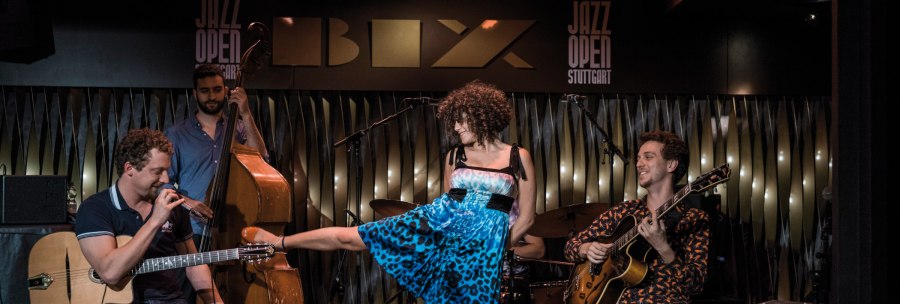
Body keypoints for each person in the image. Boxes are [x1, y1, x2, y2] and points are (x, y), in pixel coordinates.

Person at [243, 80, 536, 303]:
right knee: (355, 237)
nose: (456, 127)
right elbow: (447, 203)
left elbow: (527, 218)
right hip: (442, 229)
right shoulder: (454, 156)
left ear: (482, 115)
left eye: (461, 119)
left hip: (483, 256)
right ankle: (278, 242)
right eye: (454, 120)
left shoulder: (517, 156)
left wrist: (493, 245)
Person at [74, 129, 223, 303]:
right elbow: (110, 273)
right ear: (129, 168)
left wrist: (216, 302)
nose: (165, 178)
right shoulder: (95, 209)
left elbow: (194, 263)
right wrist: (155, 221)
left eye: (167, 170)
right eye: (157, 171)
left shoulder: (173, 205)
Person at [564, 130, 710, 303]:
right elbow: (570, 247)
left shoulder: (694, 218)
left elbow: (695, 285)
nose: (639, 164)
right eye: (639, 158)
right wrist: (586, 249)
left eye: (648, 157)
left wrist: (663, 247)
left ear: (671, 164)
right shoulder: (624, 211)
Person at [164, 63, 269, 247]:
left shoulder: (239, 129)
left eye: (217, 89)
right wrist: (188, 203)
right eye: (204, 91)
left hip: (235, 228)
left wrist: (245, 112)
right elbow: (162, 184)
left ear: (226, 91)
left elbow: (261, 160)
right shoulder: (176, 135)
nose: (211, 96)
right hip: (192, 231)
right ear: (195, 94)